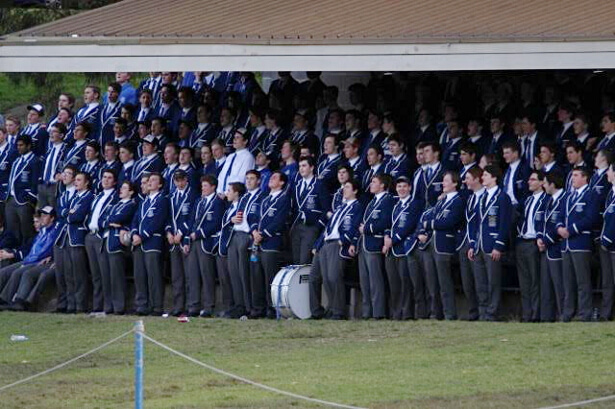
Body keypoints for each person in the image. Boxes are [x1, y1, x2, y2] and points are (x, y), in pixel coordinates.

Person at [310, 179, 362, 320]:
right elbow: (329, 227)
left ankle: (339, 310)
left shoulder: (357, 206)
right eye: (344, 187)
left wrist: (343, 240)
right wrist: (318, 244)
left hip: (337, 244)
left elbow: (355, 225)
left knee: (334, 276)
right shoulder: (340, 207)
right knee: (326, 278)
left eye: (347, 187)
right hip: (326, 243)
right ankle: (331, 309)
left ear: (355, 190)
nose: (344, 189)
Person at [468, 165, 513, 321]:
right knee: (480, 282)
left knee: (493, 281)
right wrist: (473, 244)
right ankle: (483, 311)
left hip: (492, 244)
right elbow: (476, 223)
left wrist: (498, 245)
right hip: (480, 245)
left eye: (486, 175)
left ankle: (492, 312)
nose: (483, 178)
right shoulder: (482, 198)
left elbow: (505, 223)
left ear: (494, 177)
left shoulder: (502, 197)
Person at [419, 171, 465, 320]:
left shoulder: (458, 200)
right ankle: (435, 313)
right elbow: (431, 216)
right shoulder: (442, 200)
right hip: (431, 243)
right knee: (432, 282)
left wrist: (429, 224)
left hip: (444, 244)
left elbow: (449, 222)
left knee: (445, 282)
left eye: (446, 181)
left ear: (455, 183)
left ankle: (449, 313)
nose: (443, 184)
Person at [556, 167, 600, 322]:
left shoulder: (591, 194)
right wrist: (559, 228)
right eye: (572, 175)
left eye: (575, 175)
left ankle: (584, 313)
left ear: (584, 177)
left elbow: (591, 218)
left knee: (582, 281)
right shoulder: (568, 196)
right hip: (566, 243)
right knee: (568, 281)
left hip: (580, 242)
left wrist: (571, 230)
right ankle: (568, 313)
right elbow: (560, 215)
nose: (572, 178)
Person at [0, 207, 59, 311]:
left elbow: (44, 252)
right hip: (29, 259)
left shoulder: (54, 232)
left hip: (36, 261)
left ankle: (19, 302)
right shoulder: (42, 232)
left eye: (45, 216)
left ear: (52, 218)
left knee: (21, 273)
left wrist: (26, 261)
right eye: (41, 216)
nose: (42, 218)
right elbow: (31, 249)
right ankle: (4, 299)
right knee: (5, 271)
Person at [250, 171, 291, 319]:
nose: (271, 180)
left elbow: (279, 221)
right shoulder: (265, 199)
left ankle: (271, 308)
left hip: (270, 243)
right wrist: (254, 231)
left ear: (281, 183)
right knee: (256, 277)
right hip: (257, 243)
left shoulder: (283, 199)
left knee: (270, 278)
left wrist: (263, 234)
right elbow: (254, 217)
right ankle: (258, 307)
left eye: (275, 178)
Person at [383, 176, 424, 320]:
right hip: (391, 249)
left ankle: (407, 313)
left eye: (404, 186)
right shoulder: (395, 205)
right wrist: (387, 237)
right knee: (394, 284)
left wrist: (392, 241)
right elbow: (389, 224)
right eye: (399, 186)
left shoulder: (414, 204)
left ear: (410, 188)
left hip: (403, 248)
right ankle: (396, 313)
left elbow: (409, 226)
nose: (401, 189)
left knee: (405, 283)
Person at [130, 172, 169, 316]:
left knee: (154, 275)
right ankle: (142, 304)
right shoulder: (144, 200)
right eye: (149, 180)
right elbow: (135, 219)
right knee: (139, 274)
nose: (150, 183)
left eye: (153, 180)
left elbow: (158, 221)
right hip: (138, 242)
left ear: (159, 184)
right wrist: (134, 233)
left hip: (152, 241)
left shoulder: (162, 200)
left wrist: (142, 236)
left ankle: (156, 306)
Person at [185, 175, 225, 317]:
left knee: (207, 275)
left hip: (205, 242)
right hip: (193, 241)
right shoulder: (199, 201)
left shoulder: (218, 202)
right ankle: (193, 305)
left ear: (213, 187)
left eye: (206, 186)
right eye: (202, 186)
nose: (203, 188)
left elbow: (215, 223)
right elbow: (191, 221)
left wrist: (199, 234)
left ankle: (209, 306)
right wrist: (186, 239)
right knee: (193, 274)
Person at [226, 170, 263, 318]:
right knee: (234, 272)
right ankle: (239, 305)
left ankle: (250, 306)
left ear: (258, 181)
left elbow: (256, 216)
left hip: (247, 235)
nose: (249, 181)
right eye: (247, 178)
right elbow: (238, 216)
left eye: (252, 178)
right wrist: (232, 220)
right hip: (235, 234)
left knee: (245, 273)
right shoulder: (244, 197)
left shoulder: (262, 196)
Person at [358, 173, 394, 319]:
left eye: (374, 182)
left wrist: (367, 229)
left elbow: (385, 221)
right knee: (365, 282)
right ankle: (367, 312)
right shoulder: (372, 201)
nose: (371, 184)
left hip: (374, 244)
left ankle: (378, 313)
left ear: (382, 185)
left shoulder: (388, 200)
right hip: (364, 244)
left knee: (376, 282)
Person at [100, 180, 138, 315]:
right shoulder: (115, 204)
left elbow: (120, 218)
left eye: (125, 188)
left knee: (117, 276)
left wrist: (111, 222)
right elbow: (102, 219)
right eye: (121, 187)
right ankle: (108, 306)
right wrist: (111, 222)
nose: (121, 190)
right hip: (106, 241)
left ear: (131, 191)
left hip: (117, 242)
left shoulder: (131, 204)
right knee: (106, 275)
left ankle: (119, 306)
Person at [516, 170, 548, 322]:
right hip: (522, 241)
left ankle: (536, 314)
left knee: (535, 281)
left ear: (542, 182)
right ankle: (526, 313)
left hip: (534, 242)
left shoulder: (546, 199)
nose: (529, 182)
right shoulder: (527, 200)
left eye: (533, 179)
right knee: (524, 281)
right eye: (529, 179)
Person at [84, 170, 118, 313]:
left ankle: (108, 305)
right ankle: (97, 305)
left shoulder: (115, 197)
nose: (106, 180)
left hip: (101, 235)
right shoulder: (98, 196)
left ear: (114, 182)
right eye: (104, 177)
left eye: (110, 178)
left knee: (105, 273)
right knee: (96, 274)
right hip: (90, 235)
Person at [165, 170, 197, 317]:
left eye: (181, 180)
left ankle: (191, 306)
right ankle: (178, 306)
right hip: (173, 239)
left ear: (186, 180)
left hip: (184, 238)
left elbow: (192, 217)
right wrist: (169, 232)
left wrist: (181, 233)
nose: (178, 183)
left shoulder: (193, 195)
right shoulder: (171, 196)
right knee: (177, 276)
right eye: (176, 180)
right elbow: (168, 217)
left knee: (189, 275)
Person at [537, 171, 567, 322]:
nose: (543, 185)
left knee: (559, 285)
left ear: (552, 184)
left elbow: (559, 224)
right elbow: (542, 221)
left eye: (545, 182)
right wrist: (539, 238)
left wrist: (546, 240)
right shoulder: (548, 200)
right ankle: (547, 318)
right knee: (547, 286)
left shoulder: (564, 199)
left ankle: (563, 315)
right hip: (546, 248)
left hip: (556, 248)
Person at [65, 172, 95, 313]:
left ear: (86, 182)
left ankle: (80, 305)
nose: (76, 182)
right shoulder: (75, 196)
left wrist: (70, 214)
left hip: (78, 237)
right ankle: (71, 304)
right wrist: (69, 213)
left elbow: (77, 215)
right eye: (75, 180)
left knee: (79, 274)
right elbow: (65, 212)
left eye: (79, 180)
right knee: (70, 273)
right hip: (70, 236)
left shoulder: (89, 196)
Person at [291, 156, 329, 264]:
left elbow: (326, 209)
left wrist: (317, 226)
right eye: (299, 166)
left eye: (304, 166)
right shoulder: (297, 184)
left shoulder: (319, 184)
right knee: (296, 260)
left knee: (304, 260)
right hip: (297, 225)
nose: (301, 169)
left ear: (311, 167)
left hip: (311, 227)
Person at [459, 167, 485, 321]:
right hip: (466, 243)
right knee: (467, 281)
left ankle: (483, 311)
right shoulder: (470, 197)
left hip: (479, 243)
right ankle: (472, 311)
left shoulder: (485, 197)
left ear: (476, 179)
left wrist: (475, 242)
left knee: (480, 280)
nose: (465, 181)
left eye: (468, 177)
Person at [6, 135, 40, 244]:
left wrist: (29, 198)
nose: (18, 147)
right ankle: (14, 253)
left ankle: (27, 252)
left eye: (21, 145)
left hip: (24, 200)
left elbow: (35, 182)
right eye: (17, 145)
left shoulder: (34, 161)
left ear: (29, 146)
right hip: (11, 198)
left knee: (27, 230)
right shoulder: (17, 161)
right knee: (12, 229)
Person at [216, 129, 255, 195]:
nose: (234, 140)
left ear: (245, 141)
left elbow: (241, 178)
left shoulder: (248, 157)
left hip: (235, 195)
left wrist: (226, 193)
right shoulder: (230, 156)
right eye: (234, 137)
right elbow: (222, 175)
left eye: (238, 137)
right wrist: (219, 191)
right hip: (222, 195)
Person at [600, 163, 615, 321]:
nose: (607, 174)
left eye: (609, 171)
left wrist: (607, 238)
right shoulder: (611, 193)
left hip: (612, 243)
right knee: (608, 281)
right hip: (607, 244)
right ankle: (606, 314)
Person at [98, 82, 123, 147]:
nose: (110, 94)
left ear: (118, 93)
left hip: (111, 144)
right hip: (99, 143)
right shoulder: (101, 108)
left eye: (113, 92)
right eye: (108, 91)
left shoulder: (121, 109)